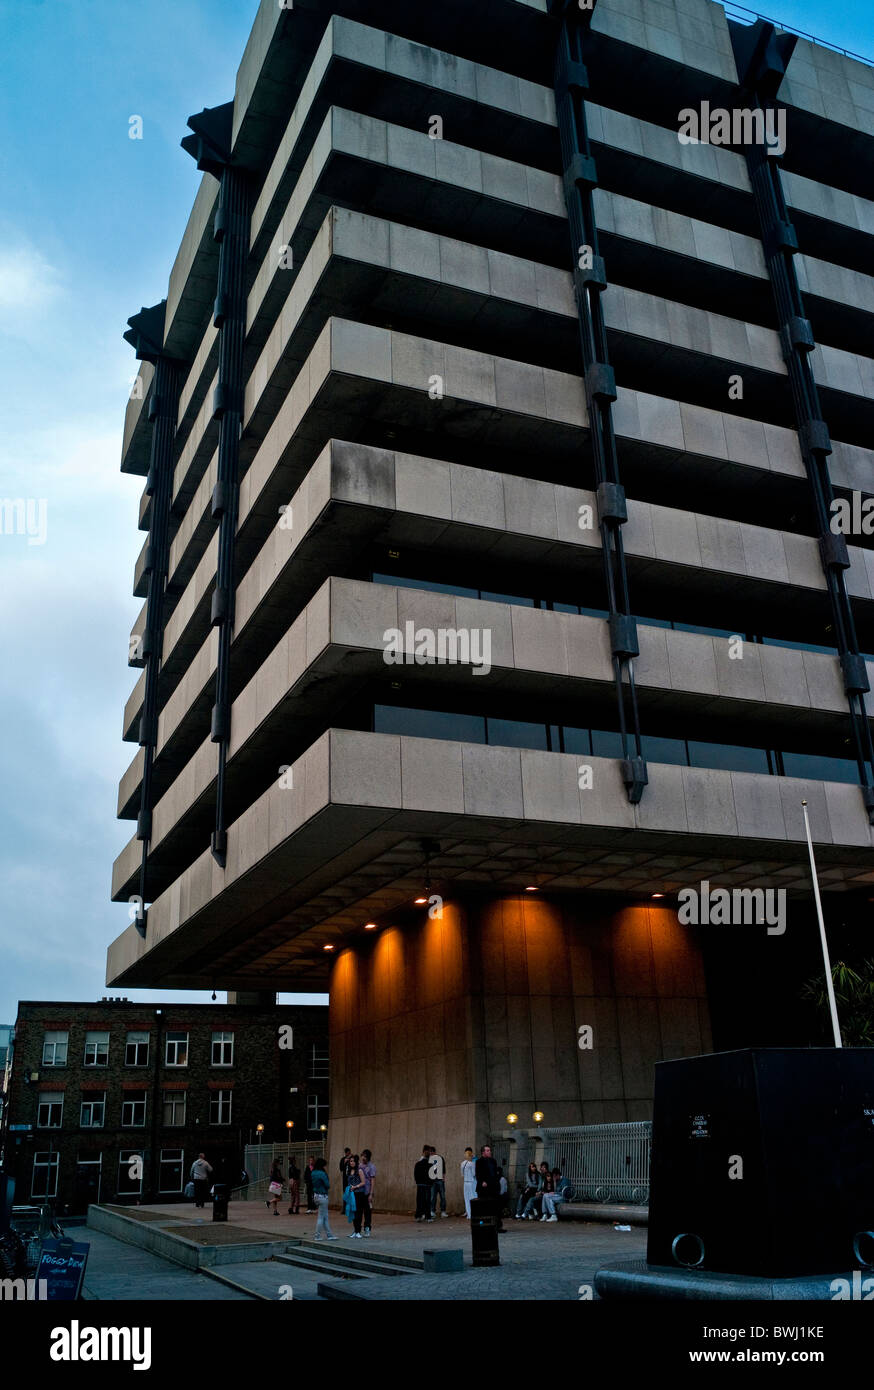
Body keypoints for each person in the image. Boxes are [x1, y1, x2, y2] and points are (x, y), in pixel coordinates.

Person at [475, 1144, 504, 1232]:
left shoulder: (493, 1161)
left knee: (496, 1207)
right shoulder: (479, 1161)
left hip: (493, 1187)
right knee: (484, 1208)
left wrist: (497, 1182)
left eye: (489, 1150)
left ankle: (498, 1226)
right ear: (483, 1152)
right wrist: (482, 1181)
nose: (489, 1152)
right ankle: (484, 1226)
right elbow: (478, 1174)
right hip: (484, 1188)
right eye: (487, 1150)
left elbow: (495, 1173)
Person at [311, 1158, 338, 1240]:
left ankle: (329, 1235)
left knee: (324, 1217)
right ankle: (317, 1235)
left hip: (316, 1195)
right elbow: (327, 1185)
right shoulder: (322, 1173)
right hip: (323, 1196)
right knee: (321, 1217)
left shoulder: (313, 1173)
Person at [358, 1148, 376, 1236]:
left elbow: (372, 1180)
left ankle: (367, 1228)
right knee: (359, 1211)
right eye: (362, 1156)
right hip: (360, 1191)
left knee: (367, 1211)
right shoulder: (359, 1166)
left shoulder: (371, 1167)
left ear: (368, 1157)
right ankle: (358, 1229)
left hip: (367, 1191)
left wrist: (371, 1193)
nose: (363, 1158)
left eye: (365, 1156)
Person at [414, 1146, 432, 1221]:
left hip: (420, 1185)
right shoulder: (430, 1165)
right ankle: (428, 1217)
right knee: (427, 1201)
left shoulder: (418, 1164)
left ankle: (418, 1216)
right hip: (427, 1185)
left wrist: (418, 1182)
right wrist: (430, 1183)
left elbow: (415, 1175)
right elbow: (432, 1176)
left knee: (419, 1201)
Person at [429, 1146, 448, 1218]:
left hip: (440, 1180)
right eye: (430, 1152)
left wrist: (443, 1177)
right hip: (433, 1181)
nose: (431, 1153)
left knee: (442, 1197)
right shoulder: (429, 1159)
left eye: (431, 1152)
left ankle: (443, 1211)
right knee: (433, 1197)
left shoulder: (440, 1158)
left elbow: (444, 1168)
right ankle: (432, 1211)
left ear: (434, 1152)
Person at [461, 1147, 477, 1218]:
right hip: (471, 1182)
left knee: (466, 1199)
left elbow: (462, 1174)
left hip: (465, 1182)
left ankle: (469, 1215)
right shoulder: (472, 1163)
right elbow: (474, 1174)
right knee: (473, 1198)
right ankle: (473, 1214)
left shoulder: (462, 1164)